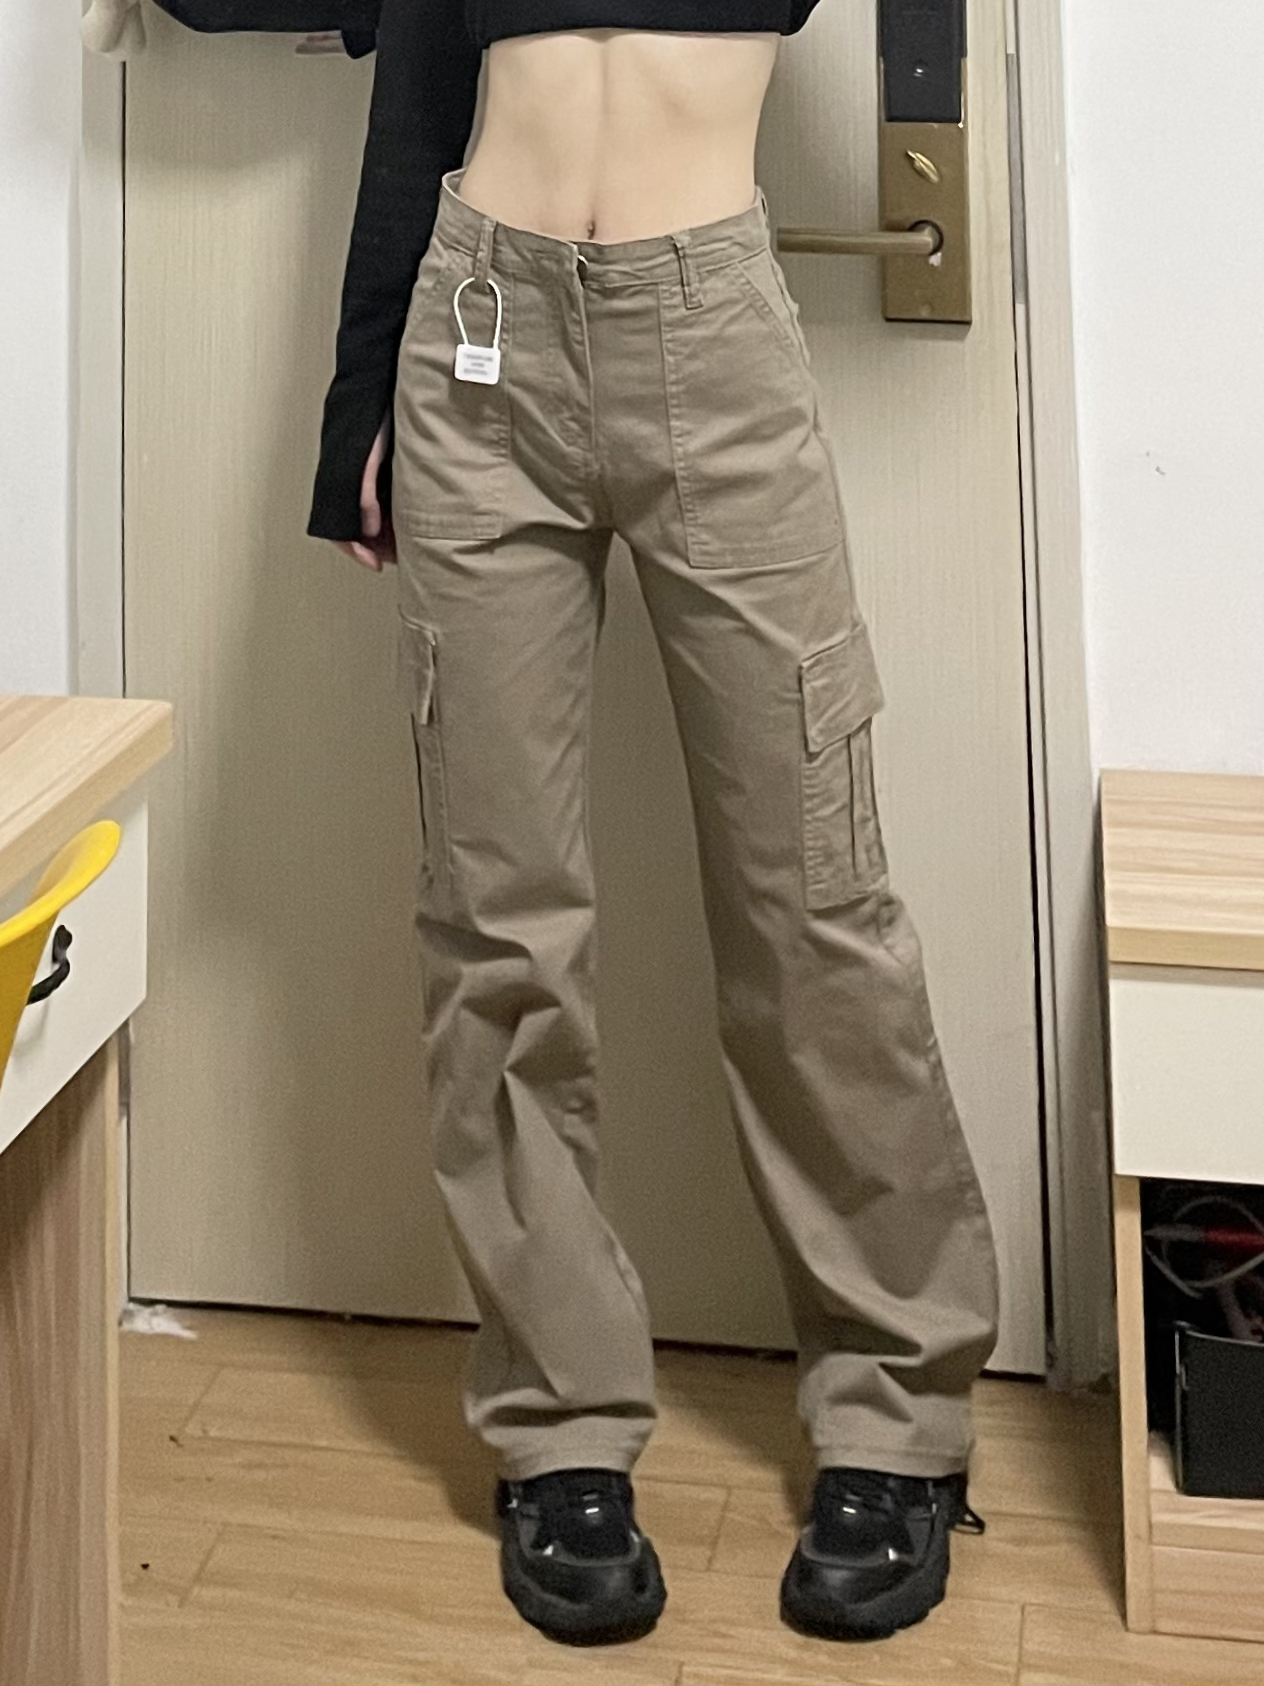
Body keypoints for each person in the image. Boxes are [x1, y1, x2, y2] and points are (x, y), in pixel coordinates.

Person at [307, 0, 1001, 1650]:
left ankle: (897, 1406)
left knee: (811, 898)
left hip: (715, 333)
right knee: (498, 917)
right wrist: (359, 400)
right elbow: (420, 89)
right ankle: (558, 1421)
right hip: (479, 326)